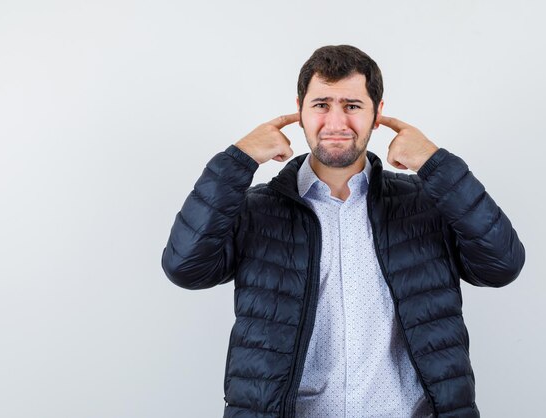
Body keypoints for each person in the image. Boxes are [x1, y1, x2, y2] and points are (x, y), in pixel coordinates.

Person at [161, 45, 525, 418]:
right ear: (300, 110)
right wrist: (237, 160)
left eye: (352, 105)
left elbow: (501, 265)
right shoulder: (256, 209)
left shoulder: (426, 203)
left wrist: (436, 164)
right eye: (321, 105)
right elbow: (186, 268)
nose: (336, 124)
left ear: (377, 113)